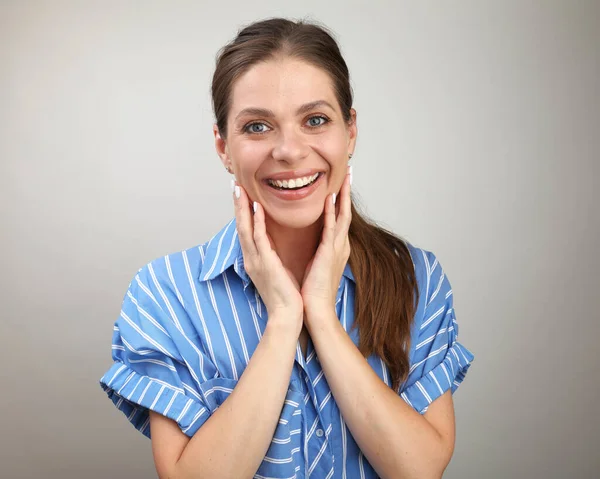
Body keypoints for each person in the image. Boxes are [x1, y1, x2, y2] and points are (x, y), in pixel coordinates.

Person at [99, 17, 474, 479]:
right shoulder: (164, 294)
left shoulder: (416, 276)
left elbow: (418, 470)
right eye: (257, 127)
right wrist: (282, 322)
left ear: (350, 131)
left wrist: (320, 314)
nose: (289, 151)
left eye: (315, 120)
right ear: (223, 147)